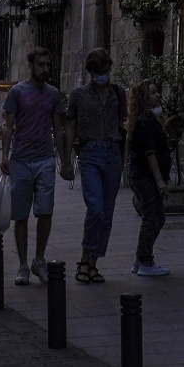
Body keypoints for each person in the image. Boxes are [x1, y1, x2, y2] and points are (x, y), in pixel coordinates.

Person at [0, 47, 67, 287]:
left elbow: (58, 127)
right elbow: (8, 125)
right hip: (21, 160)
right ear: (31, 66)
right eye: (41, 65)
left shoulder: (53, 94)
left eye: (48, 65)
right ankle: (23, 264)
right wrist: (4, 155)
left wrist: (64, 159)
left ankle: (39, 259)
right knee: (21, 215)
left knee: (45, 211)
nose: (45, 69)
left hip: (45, 159)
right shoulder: (18, 92)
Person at [60, 47, 128, 285]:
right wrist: (66, 160)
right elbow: (70, 127)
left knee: (107, 213)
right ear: (90, 72)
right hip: (89, 152)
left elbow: (124, 124)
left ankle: (93, 263)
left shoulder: (118, 93)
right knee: (96, 208)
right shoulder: (79, 95)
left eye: (106, 71)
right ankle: (83, 259)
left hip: (113, 153)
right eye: (99, 72)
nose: (103, 75)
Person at [125, 79, 172, 277]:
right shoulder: (144, 123)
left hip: (145, 177)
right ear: (143, 99)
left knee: (157, 218)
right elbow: (150, 153)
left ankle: (141, 258)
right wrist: (159, 180)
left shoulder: (148, 119)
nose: (158, 95)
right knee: (152, 218)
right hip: (145, 177)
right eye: (153, 93)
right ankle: (145, 260)